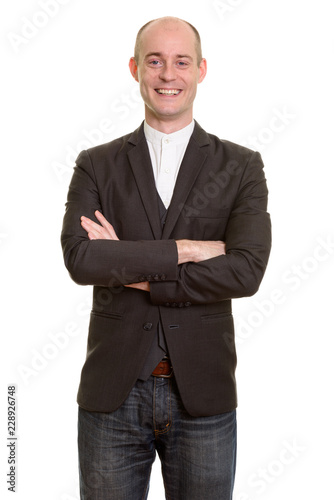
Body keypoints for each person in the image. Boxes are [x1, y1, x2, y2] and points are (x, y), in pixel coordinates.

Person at [61, 16, 271, 500]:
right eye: (155, 61)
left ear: (201, 70)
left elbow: (246, 269)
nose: (167, 75)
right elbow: (81, 260)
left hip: (204, 395)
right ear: (135, 68)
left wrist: (129, 265)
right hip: (111, 394)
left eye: (181, 62)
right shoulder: (96, 163)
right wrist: (187, 251)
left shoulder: (241, 166)